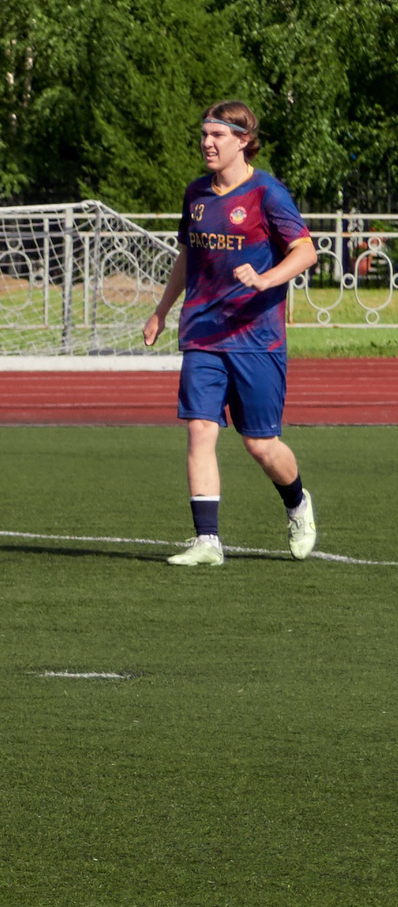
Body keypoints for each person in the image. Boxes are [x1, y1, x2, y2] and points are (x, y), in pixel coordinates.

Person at [143, 101, 319, 565]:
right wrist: (161, 310)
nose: (207, 143)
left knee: (260, 444)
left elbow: (306, 252)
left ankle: (297, 503)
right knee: (200, 429)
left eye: (217, 135)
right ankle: (207, 541)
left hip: (257, 338)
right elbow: (187, 256)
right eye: (204, 134)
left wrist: (265, 279)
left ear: (243, 140)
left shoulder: (267, 193)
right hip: (203, 333)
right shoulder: (196, 194)